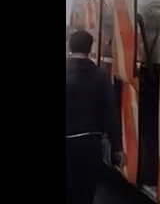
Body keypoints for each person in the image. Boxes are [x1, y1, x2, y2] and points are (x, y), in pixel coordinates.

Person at [66, 28, 124, 203]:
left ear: (69, 46)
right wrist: (117, 148)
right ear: (90, 48)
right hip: (89, 146)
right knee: (85, 194)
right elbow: (110, 114)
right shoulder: (100, 77)